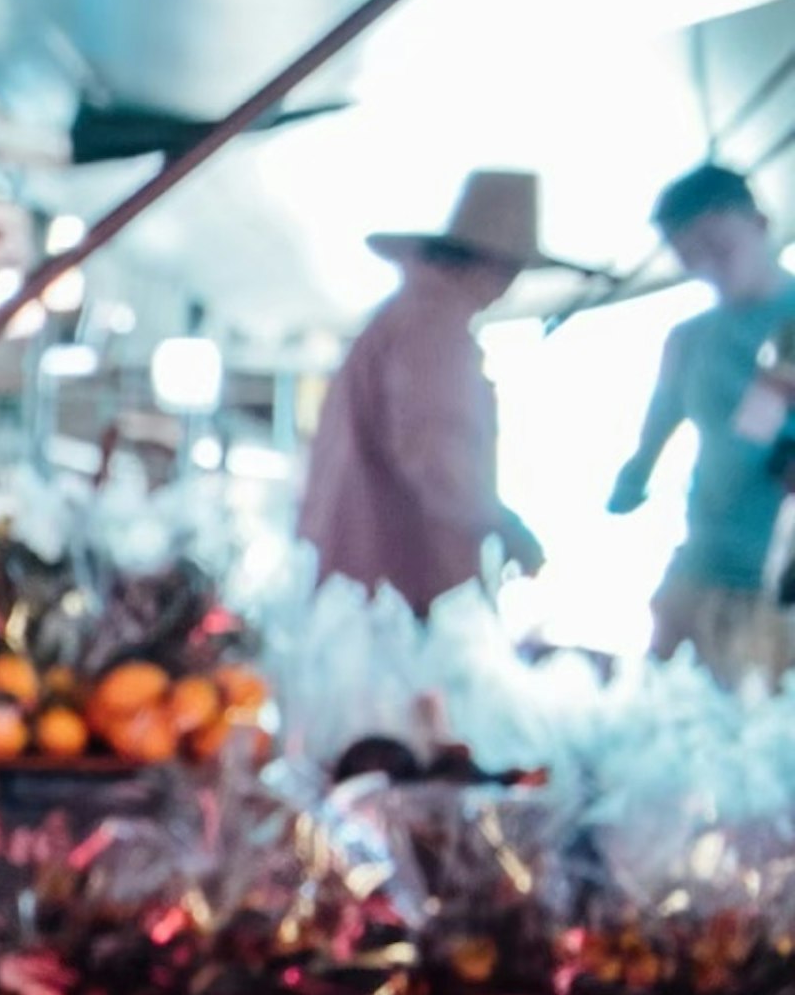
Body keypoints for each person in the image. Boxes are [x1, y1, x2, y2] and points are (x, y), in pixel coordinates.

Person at [298, 171, 566, 608]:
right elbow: (438, 455)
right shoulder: (434, 329)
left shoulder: (406, 316)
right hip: (392, 584)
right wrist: (504, 527)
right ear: (496, 266)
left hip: (357, 579)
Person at [608, 162, 795, 682]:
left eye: (719, 246)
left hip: (780, 585)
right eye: (689, 255)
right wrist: (634, 476)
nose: (708, 266)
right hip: (700, 566)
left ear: (758, 224)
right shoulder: (688, 339)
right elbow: (661, 419)